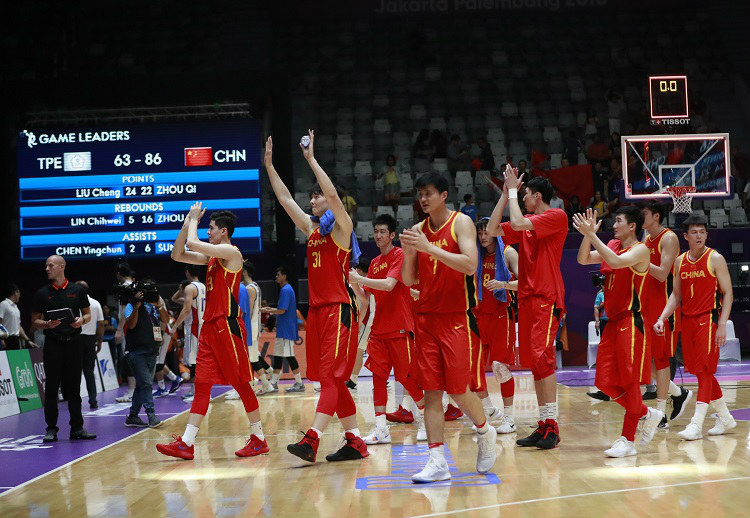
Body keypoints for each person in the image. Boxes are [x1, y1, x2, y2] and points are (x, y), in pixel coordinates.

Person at [265, 131, 367, 463]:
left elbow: (334, 196)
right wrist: (269, 165)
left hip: (340, 310)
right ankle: (355, 442)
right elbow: (284, 199)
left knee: (334, 379)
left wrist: (310, 159)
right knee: (327, 380)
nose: (312, 200)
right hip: (319, 313)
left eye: (317, 196)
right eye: (312, 197)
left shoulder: (343, 227)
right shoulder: (311, 230)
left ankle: (312, 439)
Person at [400, 172, 497, 483]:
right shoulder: (417, 230)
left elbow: (470, 265)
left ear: (444, 195)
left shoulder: (461, 223)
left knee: (458, 390)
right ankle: (437, 459)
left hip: (457, 317)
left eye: (429, 193)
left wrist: (429, 248)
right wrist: (410, 253)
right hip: (426, 317)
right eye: (420, 193)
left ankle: (485, 430)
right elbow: (407, 279)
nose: (423, 199)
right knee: (431, 392)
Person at [156, 204, 268, 460]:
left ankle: (259, 438)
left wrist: (194, 220)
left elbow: (194, 243)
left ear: (224, 232)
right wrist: (187, 222)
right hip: (209, 327)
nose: (208, 232)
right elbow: (177, 254)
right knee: (202, 384)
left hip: (227, 326)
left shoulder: (231, 252)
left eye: (212, 228)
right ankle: (186, 442)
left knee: (240, 383)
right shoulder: (213, 258)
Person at [487, 166, 568, 449]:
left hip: (546, 298)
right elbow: (492, 229)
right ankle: (544, 424)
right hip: (527, 299)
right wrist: (504, 194)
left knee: (543, 360)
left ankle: (552, 426)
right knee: (535, 363)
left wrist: (511, 190)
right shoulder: (527, 225)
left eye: (525, 195)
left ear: (537, 196)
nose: (522, 199)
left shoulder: (556, 216)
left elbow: (519, 223)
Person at [574, 206, 664, 457]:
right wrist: (586, 234)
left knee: (629, 381)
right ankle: (647, 413)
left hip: (631, 321)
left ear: (632, 226)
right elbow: (582, 259)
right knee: (604, 383)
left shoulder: (641, 250)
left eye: (619, 221)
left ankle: (628, 440)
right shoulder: (612, 244)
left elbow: (615, 262)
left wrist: (592, 235)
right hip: (611, 322)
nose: (614, 225)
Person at [654, 214, 736, 441]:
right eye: (694, 232)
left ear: (706, 235)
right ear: (686, 236)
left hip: (708, 320)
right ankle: (726, 417)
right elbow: (676, 294)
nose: (699, 235)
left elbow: (728, 293)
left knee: (705, 372)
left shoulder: (715, 258)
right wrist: (662, 317)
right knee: (701, 371)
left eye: (702, 231)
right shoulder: (680, 261)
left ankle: (696, 424)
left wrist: (722, 324)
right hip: (687, 322)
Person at [349, 214, 427, 444]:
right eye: (375, 231)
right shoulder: (373, 263)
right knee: (378, 379)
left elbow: (389, 285)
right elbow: (366, 299)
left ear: (392, 235)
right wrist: (353, 283)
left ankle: (424, 421)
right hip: (379, 330)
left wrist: (361, 279)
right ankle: (381, 429)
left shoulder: (399, 255)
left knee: (407, 378)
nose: (378, 235)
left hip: (400, 328)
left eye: (383, 231)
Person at [31, 255, 96, 443]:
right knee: (51, 388)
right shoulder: (42, 293)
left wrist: (80, 321)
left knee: (74, 388)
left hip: (75, 342)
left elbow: (87, 314)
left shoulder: (77, 290)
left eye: (50, 265)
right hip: (53, 344)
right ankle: (51, 429)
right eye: (46, 266)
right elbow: (35, 321)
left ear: (62, 266)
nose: (47, 268)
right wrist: (47, 324)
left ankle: (77, 428)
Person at [641, 202, 692, 428]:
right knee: (646, 361)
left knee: (661, 361)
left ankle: (661, 413)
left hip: (665, 308)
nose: (641, 217)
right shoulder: (646, 240)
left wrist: (640, 260)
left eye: (644, 214)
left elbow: (662, 274)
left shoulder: (668, 238)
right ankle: (678, 392)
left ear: (656, 216)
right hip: (646, 306)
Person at [475, 217, 519, 434]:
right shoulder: (474, 255)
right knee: (471, 370)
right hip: (478, 315)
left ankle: (509, 418)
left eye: (487, 232)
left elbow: (527, 283)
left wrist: (503, 284)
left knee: (500, 368)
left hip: (502, 315)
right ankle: (489, 410)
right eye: (480, 233)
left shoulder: (508, 253)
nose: (483, 237)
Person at [122, 281, 169, 428]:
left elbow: (166, 320)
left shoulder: (154, 306)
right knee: (147, 383)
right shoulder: (130, 305)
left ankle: (133, 416)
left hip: (152, 351)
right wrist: (136, 307)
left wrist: (160, 305)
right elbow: (131, 325)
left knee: (142, 385)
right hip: (137, 352)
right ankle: (152, 416)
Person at [227, 261, 273, 398]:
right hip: (254, 325)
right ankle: (266, 382)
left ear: (244, 272)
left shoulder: (249, 289)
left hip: (250, 326)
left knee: (248, 359)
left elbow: (249, 310)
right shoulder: (255, 286)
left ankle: (253, 386)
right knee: (252, 357)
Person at [261, 266, 305, 393]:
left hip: (287, 329)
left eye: (278, 275)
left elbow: (282, 310)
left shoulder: (286, 290)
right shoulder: (286, 289)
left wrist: (267, 310)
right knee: (279, 356)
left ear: (284, 276)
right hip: (283, 329)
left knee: (289, 356)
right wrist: (269, 309)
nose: (276, 277)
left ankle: (299, 383)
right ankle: (274, 383)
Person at [170, 266, 207, 402]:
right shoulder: (203, 286)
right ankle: (197, 391)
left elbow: (185, 310)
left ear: (187, 272)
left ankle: (198, 392)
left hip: (194, 328)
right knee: (199, 361)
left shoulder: (190, 288)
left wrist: (175, 326)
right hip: (203, 327)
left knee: (195, 362)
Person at [75, 281, 104, 410]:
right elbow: (101, 324)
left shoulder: (74, 302)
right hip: (90, 340)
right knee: (89, 371)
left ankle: (74, 399)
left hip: (76, 338)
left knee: (74, 371)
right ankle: (93, 400)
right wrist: (100, 341)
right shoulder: (96, 303)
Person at [347, 256, 374, 391]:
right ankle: (382, 377)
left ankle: (352, 381)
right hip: (367, 320)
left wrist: (358, 323)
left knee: (358, 351)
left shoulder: (364, 283)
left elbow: (365, 304)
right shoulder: (362, 282)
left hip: (367, 321)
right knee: (373, 352)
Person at [114, 263, 137, 403]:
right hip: (136, 327)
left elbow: (125, 311)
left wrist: (119, 330)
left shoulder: (125, 288)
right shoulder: (135, 285)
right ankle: (135, 390)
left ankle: (131, 391)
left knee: (129, 359)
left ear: (119, 274)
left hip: (128, 328)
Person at [587, 279, 610, 401]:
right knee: (605, 354)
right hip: (604, 322)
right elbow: (596, 308)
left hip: (616, 322)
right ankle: (606, 390)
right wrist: (597, 321)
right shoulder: (600, 295)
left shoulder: (616, 292)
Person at [0, 285, 35, 349]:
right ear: (16, 292)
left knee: (17, 358)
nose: (20, 295)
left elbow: (18, 326)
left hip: (16, 340)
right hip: (6, 340)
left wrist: (28, 340)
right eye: (19, 293)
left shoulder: (16, 308)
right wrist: (1, 339)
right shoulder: (3, 304)